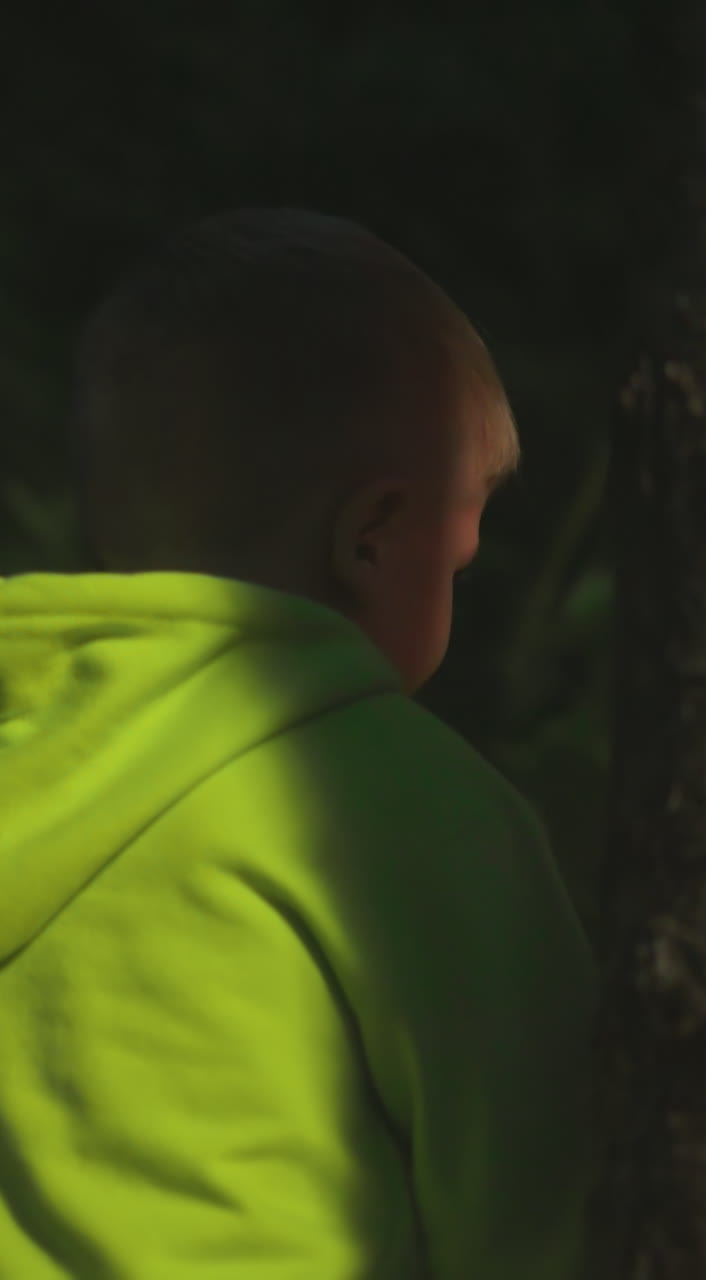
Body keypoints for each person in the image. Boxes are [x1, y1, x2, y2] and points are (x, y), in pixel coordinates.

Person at [0, 208, 597, 1277]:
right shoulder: (413, 807)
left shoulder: (27, 749)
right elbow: (536, 1206)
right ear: (371, 537)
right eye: (457, 559)